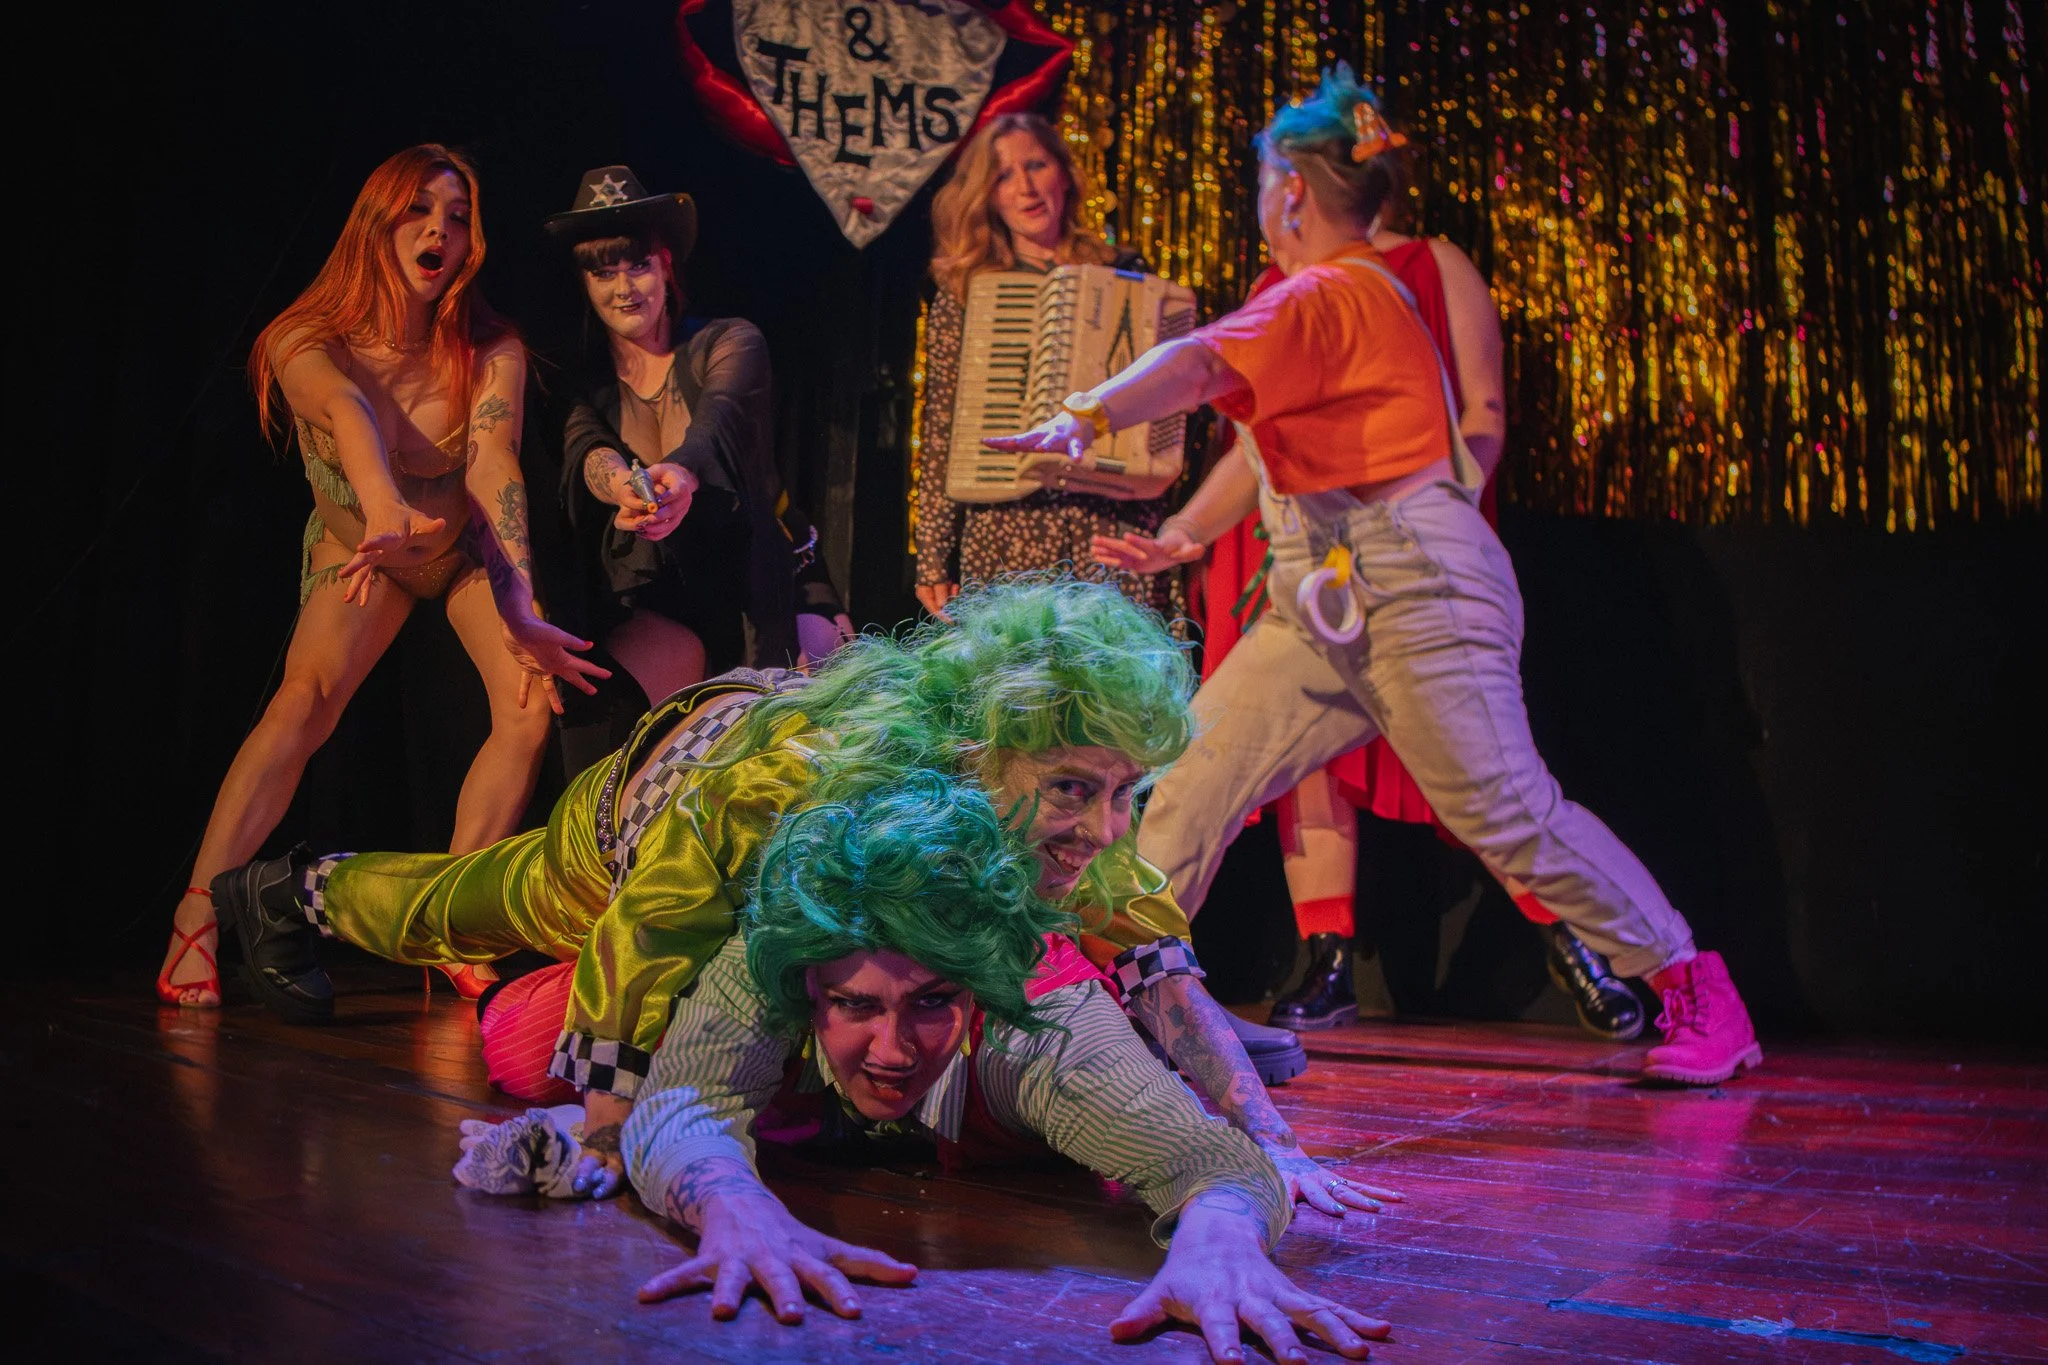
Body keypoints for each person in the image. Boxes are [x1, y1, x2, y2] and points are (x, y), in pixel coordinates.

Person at [990, 68, 1762, 1086]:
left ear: (1292, 194)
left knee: (1505, 811)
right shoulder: (1339, 306)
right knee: (1191, 779)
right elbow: (1261, 453)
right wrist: (1183, 537)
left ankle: (1689, 986)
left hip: (1413, 583)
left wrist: (1085, 413)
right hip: (1328, 590)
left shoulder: (1332, 291)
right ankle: (1092, 986)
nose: (1261, 205)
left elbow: (1197, 367)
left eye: (1264, 184)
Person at [215, 578, 1369, 1209]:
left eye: (1126, 792)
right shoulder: (832, 780)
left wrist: (1263, 1143)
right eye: (1077, 788)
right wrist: (612, 1131)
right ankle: (286, 890)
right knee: (459, 908)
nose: (1101, 827)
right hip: (639, 827)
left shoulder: (1055, 810)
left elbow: (1155, 952)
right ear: (990, 747)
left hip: (741, 898)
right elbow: (661, 910)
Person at [457, 772, 1391, 1364]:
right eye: (856, 1005)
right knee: (523, 1044)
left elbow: (1211, 1160)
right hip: (679, 881)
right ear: (808, 983)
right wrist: (730, 1204)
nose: (895, 1051)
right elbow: (682, 1103)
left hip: (1030, 1050)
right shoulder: (765, 962)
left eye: (932, 1004)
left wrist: (1222, 1239)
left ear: (980, 991)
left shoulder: (1041, 1020)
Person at [156, 145, 607, 1012]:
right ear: (378, 223)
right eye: (419, 211)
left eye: (458, 215)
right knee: (305, 701)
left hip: (466, 552)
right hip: (357, 553)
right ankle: (197, 913)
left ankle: (448, 925)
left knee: (527, 703)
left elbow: (495, 467)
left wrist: (520, 602)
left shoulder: (489, 346)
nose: (440, 230)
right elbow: (345, 411)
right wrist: (381, 504)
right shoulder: (304, 339)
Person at [1197, 216, 1642, 1039]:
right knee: (1275, 762)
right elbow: (1251, 443)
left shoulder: (1432, 265)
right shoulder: (1276, 290)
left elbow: (1484, 409)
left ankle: (1588, 941)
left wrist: (1427, 511)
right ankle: (1318, 956)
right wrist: (1189, 531)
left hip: (1411, 542)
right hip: (1301, 549)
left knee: (1472, 764)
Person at [547, 165, 849, 713]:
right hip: (666, 594)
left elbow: (720, 425)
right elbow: (587, 450)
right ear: (584, 283)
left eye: (637, 266)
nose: (623, 289)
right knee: (660, 742)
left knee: (812, 728)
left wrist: (679, 476)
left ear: (665, 266)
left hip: (767, 574)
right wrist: (623, 488)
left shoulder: (729, 342)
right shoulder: (581, 382)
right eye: (603, 274)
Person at [912, 114, 1182, 623]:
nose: (1025, 187)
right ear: (986, 196)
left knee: (1112, 687)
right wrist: (932, 556)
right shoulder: (966, 292)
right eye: (1003, 176)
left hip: (1109, 521)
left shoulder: (1126, 275)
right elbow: (943, 428)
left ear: (1063, 174)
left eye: (1036, 165)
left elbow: (1168, 399)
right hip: (1006, 525)